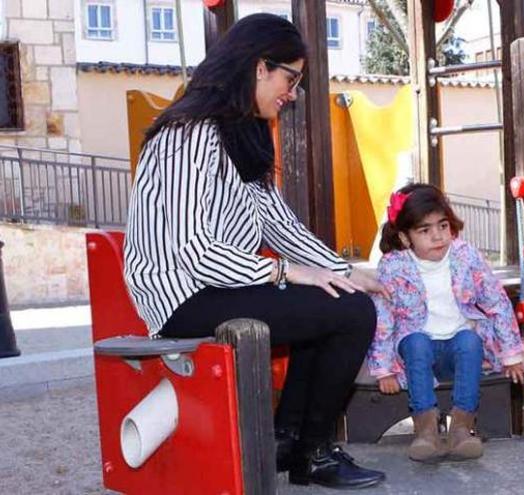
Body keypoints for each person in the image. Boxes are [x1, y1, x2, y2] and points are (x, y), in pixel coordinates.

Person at [123, 14, 387, 490]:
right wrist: (288, 272)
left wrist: (342, 269)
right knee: (350, 314)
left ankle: (288, 440)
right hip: (183, 297)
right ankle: (314, 452)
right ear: (258, 67)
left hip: (221, 286)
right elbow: (194, 250)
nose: (292, 93)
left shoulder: (240, 135)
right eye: (291, 78)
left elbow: (280, 225)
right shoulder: (188, 133)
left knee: (339, 298)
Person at [367, 184, 524, 462]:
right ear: (406, 238)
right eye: (424, 230)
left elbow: (496, 301)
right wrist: (383, 369)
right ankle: (426, 430)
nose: (437, 236)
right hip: (416, 350)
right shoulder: (393, 266)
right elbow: (384, 316)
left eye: (442, 226)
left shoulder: (465, 255)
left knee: (469, 340)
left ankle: (462, 428)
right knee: (416, 342)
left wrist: (511, 354)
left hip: (457, 346)